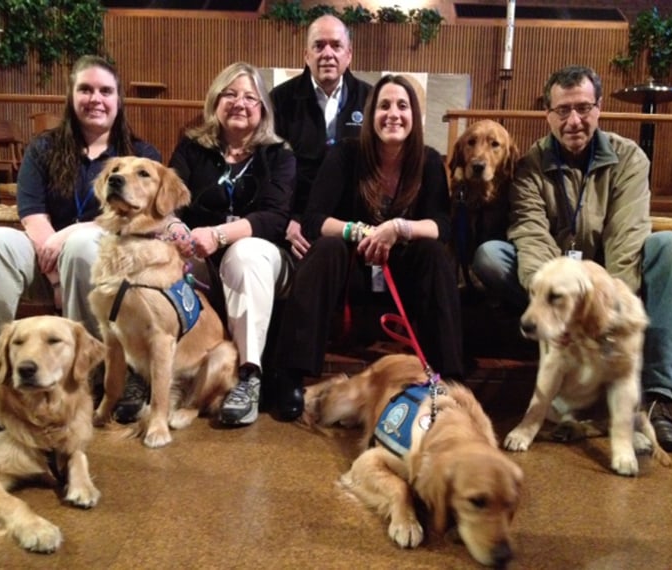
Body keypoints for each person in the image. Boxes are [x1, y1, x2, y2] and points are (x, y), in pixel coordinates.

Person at [472, 65, 672, 452]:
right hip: (554, 286)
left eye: (583, 108)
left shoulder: (630, 158)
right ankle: (557, 333)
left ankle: (658, 397)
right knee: (491, 256)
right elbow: (530, 234)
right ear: (548, 114)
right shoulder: (530, 166)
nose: (573, 120)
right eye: (563, 110)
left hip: (609, 283)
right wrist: (557, 299)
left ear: (599, 109)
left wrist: (602, 308)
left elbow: (627, 239)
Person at [0, 55, 161, 421]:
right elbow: (32, 213)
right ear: (71, 96)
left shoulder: (141, 155)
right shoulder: (44, 147)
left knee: (84, 246)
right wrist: (54, 272)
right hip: (43, 252)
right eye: (85, 89)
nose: (95, 98)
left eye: (106, 91)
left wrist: (72, 232)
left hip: (108, 261)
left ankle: (87, 377)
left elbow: (138, 220)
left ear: (118, 100)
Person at [272, 74, 466, 421]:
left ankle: (449, 379)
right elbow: (315, 219)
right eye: (384, 105)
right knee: (325, 248)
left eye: (402, 106)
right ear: (370, 114)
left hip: (405, 275)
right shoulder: (346, 153)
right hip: (354, 271)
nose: (393, 114)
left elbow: (442, 226)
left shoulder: (429, 160)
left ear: (415, 116)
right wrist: (359, 231)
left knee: (435, 254)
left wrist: (397, 228)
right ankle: (290, 375)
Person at [168, 62, 295, 427]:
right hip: (197, 254)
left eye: (250, 97)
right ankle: (145, 375)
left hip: (264, 256)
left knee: (245, 253)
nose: (240, 103)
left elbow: (275, 218)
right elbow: (168, 200)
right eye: (230, 94)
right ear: (215, 101)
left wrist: (219, 235)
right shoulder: (192, 147)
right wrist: (177, 230)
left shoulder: (278, 154)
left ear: (263, 109)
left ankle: (249, 376)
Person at [270, 14, 372, 261]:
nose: (327, 53)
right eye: (319, 45)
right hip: (297, 223)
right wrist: (287, 221)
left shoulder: (371, 100)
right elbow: (271, 170)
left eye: (336, 45)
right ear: (306, 55)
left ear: (349, 54)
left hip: (354, 221)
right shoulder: (280, 100)